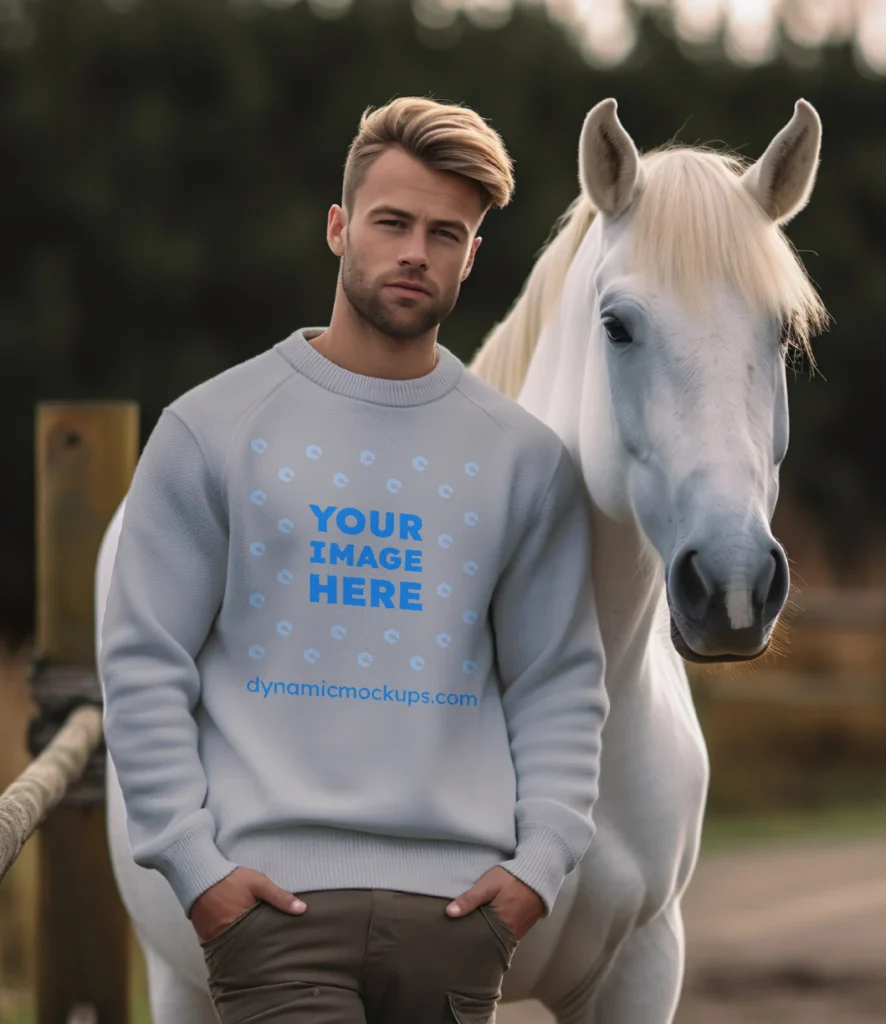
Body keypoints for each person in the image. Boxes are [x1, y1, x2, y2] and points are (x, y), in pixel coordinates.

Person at [99, 96, 609, 1023]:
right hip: (270, 914)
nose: (417, 250)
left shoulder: (524, 460)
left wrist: (539, 867)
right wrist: (193, 862)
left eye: (446, 233)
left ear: (473, 254)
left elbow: (559, 683)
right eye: (393, 223)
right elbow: (143, 661)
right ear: (339, 228)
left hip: (458, 919)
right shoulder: (211, 430)